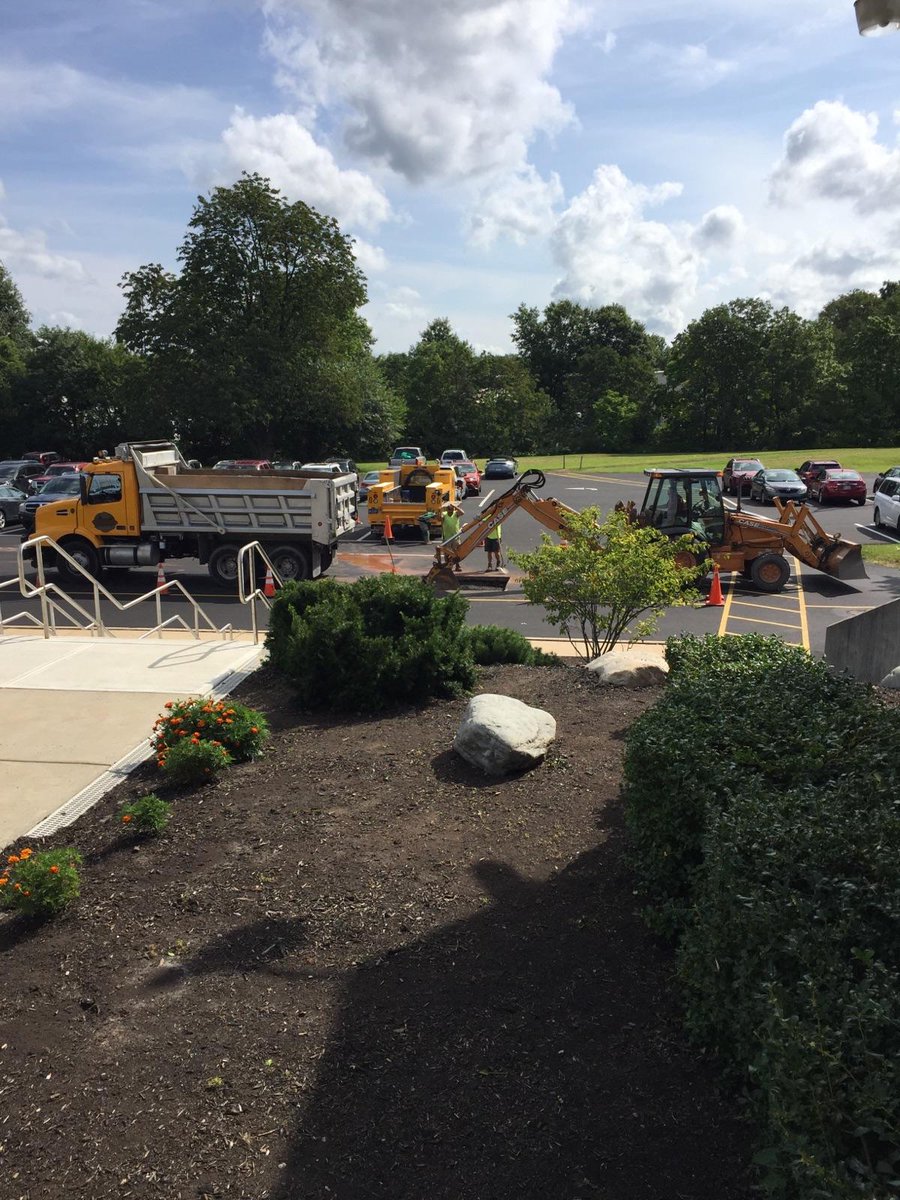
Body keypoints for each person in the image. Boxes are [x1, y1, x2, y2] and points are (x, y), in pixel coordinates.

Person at [441, 502, 463, 572]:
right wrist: (440, 510)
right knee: (447, 553)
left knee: (456, 552)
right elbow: (439, 518)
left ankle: (457, 565)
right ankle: (447, 565)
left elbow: (462, 512)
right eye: (448, 510)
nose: (450, 511)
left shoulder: (455, 514)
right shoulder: (444, 514)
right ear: (447, 510)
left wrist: (455, 506)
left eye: (451, 510)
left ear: (453, 509)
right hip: (447, 537)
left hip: (455, 537)